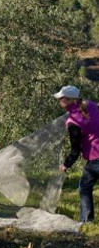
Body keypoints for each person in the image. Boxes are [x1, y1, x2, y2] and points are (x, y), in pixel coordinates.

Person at [54, 85, 99, 223]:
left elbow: (75, 149)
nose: (59, 101)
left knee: (84, 187)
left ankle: (86, 221)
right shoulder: (91, 105)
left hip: (96, 157)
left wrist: (66, 164)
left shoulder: (73, 121)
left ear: (68, 100)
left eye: (61, 98)